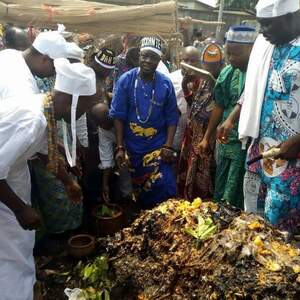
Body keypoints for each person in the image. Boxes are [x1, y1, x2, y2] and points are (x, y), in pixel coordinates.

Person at [0, 58, 96, 300]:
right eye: (85, 106)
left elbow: (44, 153)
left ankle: (25, 282)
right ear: (73, 100)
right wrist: (21, 209)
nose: (84, 113)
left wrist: (68, 182)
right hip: (5, 187)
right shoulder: (33, 119)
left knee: (20, 241)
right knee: (9, 249)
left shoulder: (44, 108)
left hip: (13, 177)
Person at [238, 0, 300, 233]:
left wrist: (298, 141)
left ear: (291, 17)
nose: (262, 32)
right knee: (252, 224)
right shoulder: (266, 45)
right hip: (261, 153)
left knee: (279, 232)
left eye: (268, 25)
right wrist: (234, 117)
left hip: (292, 159)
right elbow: (253, 87)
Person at [110, 37, 179, 208]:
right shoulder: (126, 80)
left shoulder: (165, 83)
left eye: (153, 57)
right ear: (139, 56)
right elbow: (118, 116)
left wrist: (168, 146)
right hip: (131, 148)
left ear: (159, 60)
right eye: (144, 56)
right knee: (132, 194)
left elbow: (172, 117)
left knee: (165, 186)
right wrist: (120, 147)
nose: (148, 60)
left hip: (157, 147)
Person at [198, 26, 256, 209]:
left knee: (234, 190)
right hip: (224, 140)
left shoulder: (259, 74)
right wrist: (207, 137)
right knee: (220, 184)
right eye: (228, 54)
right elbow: (219, 105)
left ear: (251, 50)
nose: (231, 58)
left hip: (245, 142)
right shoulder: (227, 72)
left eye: (236, 54)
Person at [178, 43, 223, 200]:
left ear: (221, 65)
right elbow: (193, 104)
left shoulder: (221, 83)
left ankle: (202, 202)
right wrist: (185, 84)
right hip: (192, 132)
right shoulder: (199, 80)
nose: (209, 69)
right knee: (188, 167)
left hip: (207, 135)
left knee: (203, 170)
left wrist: (205, 137)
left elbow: (218, 109)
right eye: (207, 65)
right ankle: (187, 200)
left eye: (214, 65)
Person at [0, 29, 83, 100]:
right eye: (54, 68)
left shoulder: (7, 54)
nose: (54, 73)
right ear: (44, 59)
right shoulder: (23, 88)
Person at [91, 103, 132, 202]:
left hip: (137, 151)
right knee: (125, 185)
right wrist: (105, 185)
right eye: (102, 124)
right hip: (123, 160)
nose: (106, 125)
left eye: (107, 121)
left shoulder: (125, 118)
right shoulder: (102, 131)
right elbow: (106, 159)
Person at [168, 46, 201, 151]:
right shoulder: (170, 79)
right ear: (180, 60)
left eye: (193, 61)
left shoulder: (203, 81)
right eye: (186, 60)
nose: (189, 64)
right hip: (174, 131)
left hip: (195, 133)